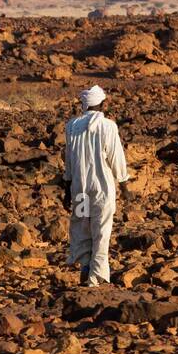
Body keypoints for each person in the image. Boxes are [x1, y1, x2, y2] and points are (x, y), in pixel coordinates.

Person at [63, 85, 129, 287]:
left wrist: (67, 191)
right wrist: (124, 185)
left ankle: (85, 266)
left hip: (80, 191)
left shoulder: (71, 126)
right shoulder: (108, 126)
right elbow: (116, 157)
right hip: (102, 191)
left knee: (83, 228)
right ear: (102, 103)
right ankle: (95, 277)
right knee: (101, 231)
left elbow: (69, 160)